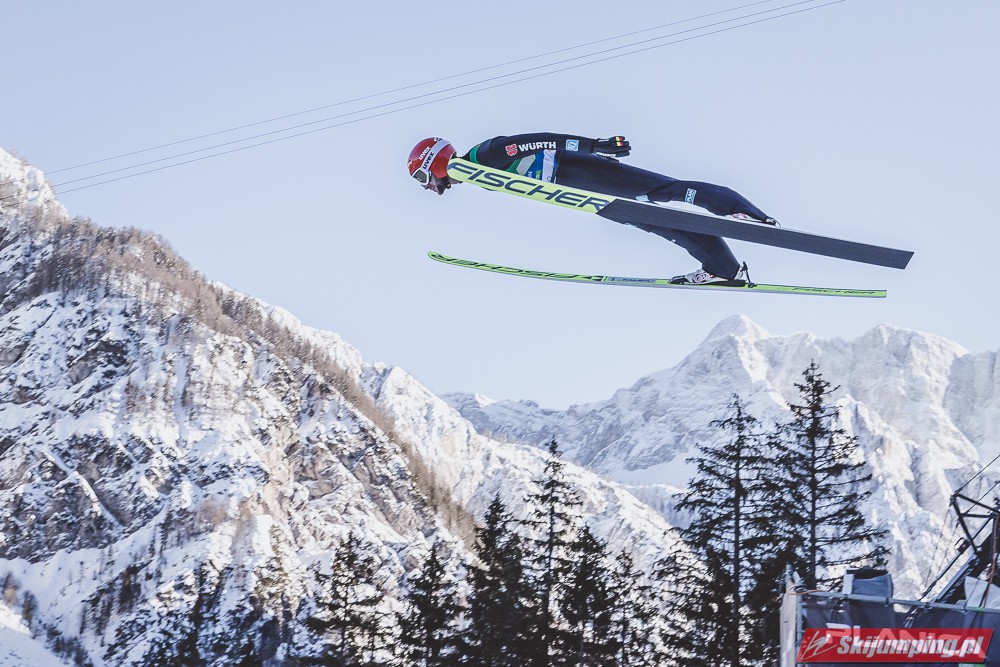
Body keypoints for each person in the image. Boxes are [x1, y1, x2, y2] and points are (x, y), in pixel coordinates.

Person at [406, 133, 777, 285]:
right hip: (582, 189)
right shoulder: (475, 172)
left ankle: (740, 211)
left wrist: (594, 146)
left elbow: (539, 140)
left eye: (424, 177)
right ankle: (723, 269)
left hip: (580, 170)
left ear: (433, 162)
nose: (429, 187)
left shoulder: (483, 155)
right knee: (660, 222)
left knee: (663, 192)